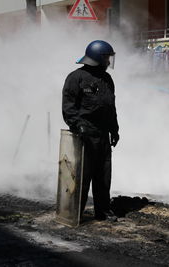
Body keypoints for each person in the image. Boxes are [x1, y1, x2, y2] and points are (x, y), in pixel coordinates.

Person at [62, 40, 119, 221]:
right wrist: (77, 125)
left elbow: (111, 107)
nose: (109, 62)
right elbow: (68, 106)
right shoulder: (76, 78)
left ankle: (103, 210)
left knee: (103, 175)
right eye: (106, 58)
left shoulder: (107, 79)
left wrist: (114, 130)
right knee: (82, 175)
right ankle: (74, 211)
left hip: (102, 134)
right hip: (84, 135)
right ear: (96, 57)